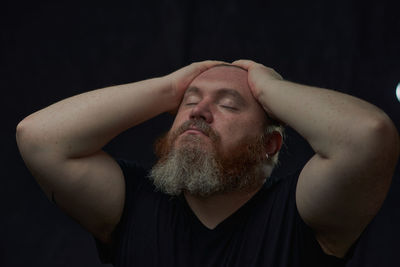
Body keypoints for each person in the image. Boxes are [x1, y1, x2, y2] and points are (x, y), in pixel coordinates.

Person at [16, 60, 399, 266]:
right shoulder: (132, 203)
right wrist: (169, 87)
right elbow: (39, 137)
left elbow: (368, 134)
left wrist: (266, 85)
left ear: (270, 145)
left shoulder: (299, 214)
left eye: (228, 104)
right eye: (188, 101)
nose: (198, 111)